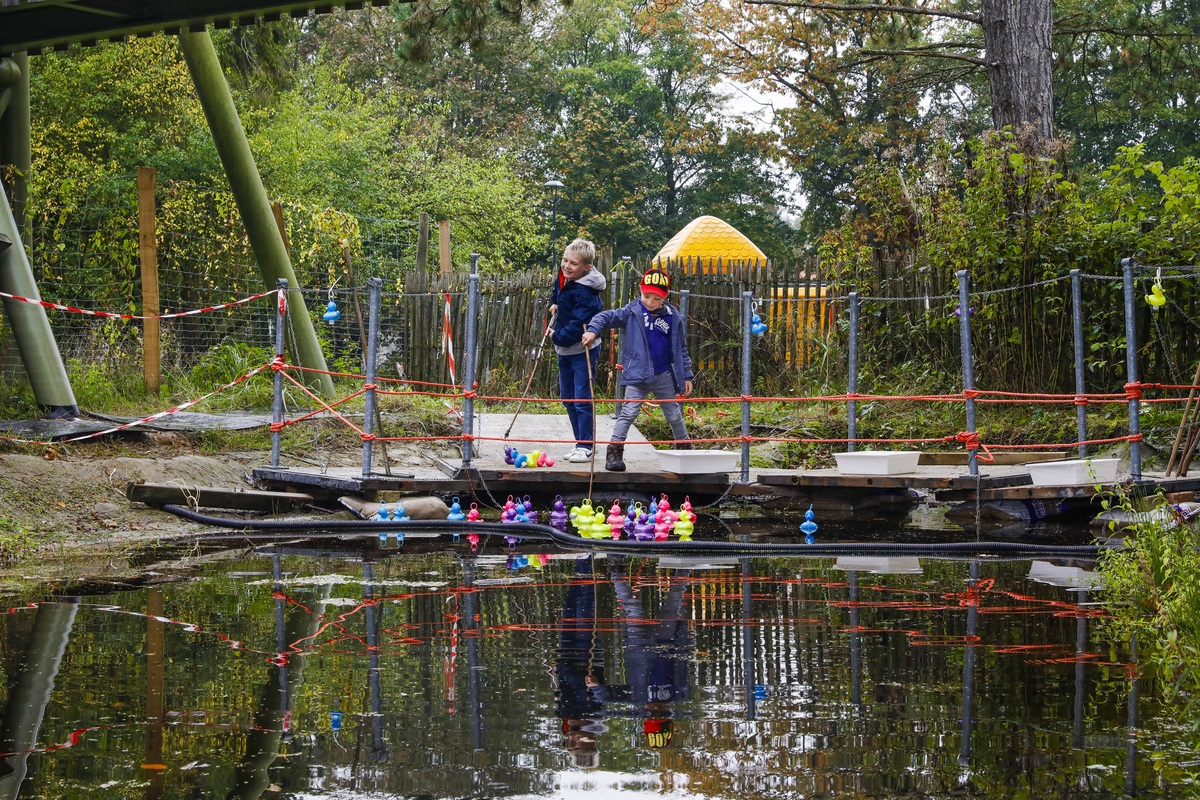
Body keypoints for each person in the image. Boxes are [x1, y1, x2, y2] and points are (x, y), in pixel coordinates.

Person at [580, 266, 692, 472]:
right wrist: (594, 331)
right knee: (628, 413)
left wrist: (686, 375)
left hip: (664, 375)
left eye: (656, 298)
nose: (650, 302)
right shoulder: (631, 313)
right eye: (646, 296)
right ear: (640, 292)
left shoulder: (673, 318)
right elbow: (605, 317)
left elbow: (681, 349)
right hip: (637, 376)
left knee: (674, 414)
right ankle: (614, 453)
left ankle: (685, 449)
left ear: (664, 297)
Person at [550, 238, 606, 463]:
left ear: (587, 267)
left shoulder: (587, 293)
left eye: (573, 263)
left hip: (582, 350)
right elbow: (559, 287)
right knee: (568, 398)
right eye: (564, 260)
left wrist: (557, 336)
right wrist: (556, 302)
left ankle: (586, 445)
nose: (566, 266)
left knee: (582, 398)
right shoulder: (567, 277)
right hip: (565, 350)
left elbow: (578, 323)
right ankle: (579, 443)